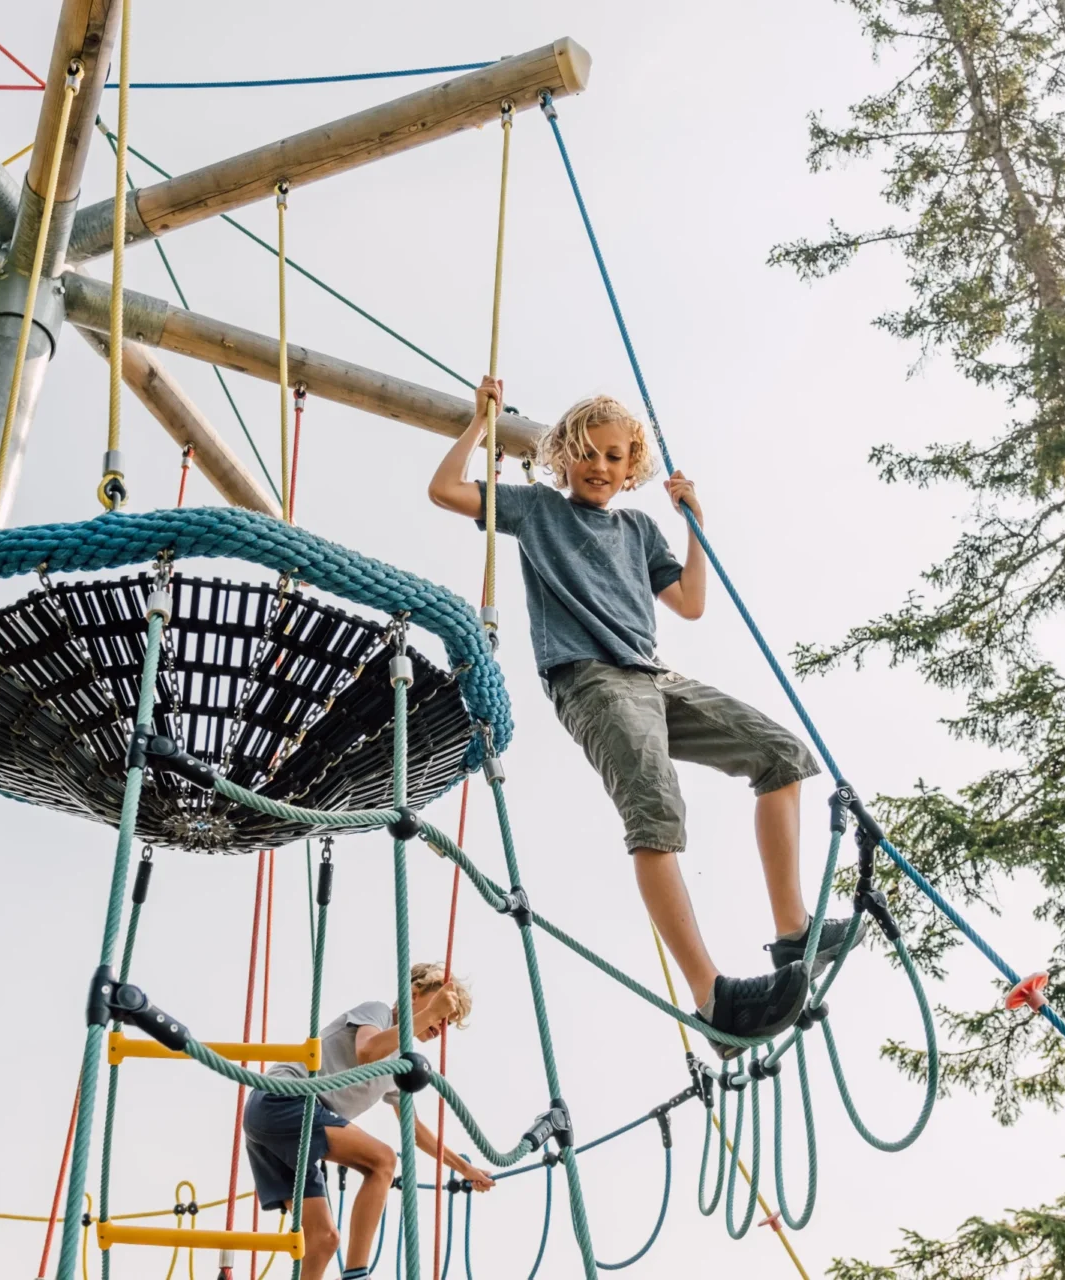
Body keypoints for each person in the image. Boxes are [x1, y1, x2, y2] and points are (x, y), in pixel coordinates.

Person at [428, 377, 865, 1056]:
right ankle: (711, 996)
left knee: (781, 755)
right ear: (563, 457)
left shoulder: (637, 528)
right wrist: (481, 424)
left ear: (632, 469)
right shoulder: (539, 511)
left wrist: (696, 524)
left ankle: (792, 932)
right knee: (656, 810)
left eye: (614, 457)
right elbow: (445, 492)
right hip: (592, 681)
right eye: (588, 454)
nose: (600, 467)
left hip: (654, 677)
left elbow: (689, 603)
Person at [245, 962, 494, 1280]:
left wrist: (465, 1168)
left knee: (323, 1240)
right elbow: (366, 1051)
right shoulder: (378, 1013)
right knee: (382, 1161)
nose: (442, 1024)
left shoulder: (400, 1065)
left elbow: (415, 1131)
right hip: (284, 1100)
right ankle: (357, 1273)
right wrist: (429, 1015)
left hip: (286, 1125)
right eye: (442, 1012)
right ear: (414, 994)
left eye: (449, 1022)